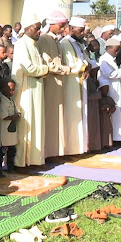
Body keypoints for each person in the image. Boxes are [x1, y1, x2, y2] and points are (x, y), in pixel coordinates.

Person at [12, 20, 49, 168]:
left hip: (36, 88)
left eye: (39, 29)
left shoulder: (34, 44)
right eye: (36, 29)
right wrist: (46, 69)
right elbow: (28, 68)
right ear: (27, 28)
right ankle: (21, 163)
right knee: (26, 126)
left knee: (36, 124)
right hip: (26, 90)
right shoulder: (22, 44)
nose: (39, 32)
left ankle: (34, 160)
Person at [37, 12, 70, 159]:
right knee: (49, 117)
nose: (63, 29)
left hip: (58, 83)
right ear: (52, 25)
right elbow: (48, 63)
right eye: (61, 26)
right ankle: (46, 152)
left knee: (57, 117)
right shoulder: (44, 39)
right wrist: (66, 69)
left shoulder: (56, 40)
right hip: (49, 82)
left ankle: (54, 151)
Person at [60, 16, 91, 154]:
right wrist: (84, 66)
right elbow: (70, 64)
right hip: (71, 84)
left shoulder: (79, 44)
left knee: (81, 115)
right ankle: (71, 149)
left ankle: (81, 148)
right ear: (71, 29)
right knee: (72, 116)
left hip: (81, 82)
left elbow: (87, 60)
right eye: (81, 30)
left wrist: (88, 67)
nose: (83, 33)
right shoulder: (65, 43)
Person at [99, 37, 121, 141]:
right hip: (110, 88)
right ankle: (110, 139)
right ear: (109, 48)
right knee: (112, 113)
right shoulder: (104, 59)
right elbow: (110, 74)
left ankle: (116, 137)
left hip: (115, 87)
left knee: (116, 113)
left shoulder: (111, 59)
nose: (118, 52)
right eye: (116, 49)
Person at [0, 78, 19, 171]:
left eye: (13, 89)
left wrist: (17, 115)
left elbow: (17, 110)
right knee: (2, 151)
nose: (11, 92)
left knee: (12, 150)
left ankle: (10, 167)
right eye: (9, 89)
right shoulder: (1, 100)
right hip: (4, 130)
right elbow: (2, 115)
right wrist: (12, 117)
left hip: (11, 130)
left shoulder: (11, 100)